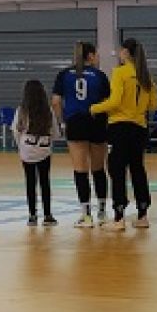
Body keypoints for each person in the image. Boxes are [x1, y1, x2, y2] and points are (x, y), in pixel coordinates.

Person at [91, 38, 157, 230]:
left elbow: (114, 101)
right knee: (138, 169)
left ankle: (119, 217)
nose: (119, 54)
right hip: (139, 128)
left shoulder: (120, 72)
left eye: (120, 50)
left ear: (126, 52)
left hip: (120, 127)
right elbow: (153, 105)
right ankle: (143, 215)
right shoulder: (146, 75)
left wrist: (94, 108)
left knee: (117, 170)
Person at [53, 42, 113, 228]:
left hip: (75, 122)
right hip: (97, 121)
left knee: (80, 170)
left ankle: (86, 216)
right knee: (98, 168)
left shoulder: (64, 74)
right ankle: (102, 212)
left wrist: (62, 122)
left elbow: (55, 101)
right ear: (91, 56)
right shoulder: (100, 75)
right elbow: (108, 102)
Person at [15, 79, 61, 226]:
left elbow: (16, 131)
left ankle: (32, 215)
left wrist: (21, 147)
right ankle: (48, 215)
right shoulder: (48, 111)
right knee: (44, 181)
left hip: (27, 151)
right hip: (44, 150)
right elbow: (56, 133)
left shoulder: (21, 110)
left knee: (30, 182)